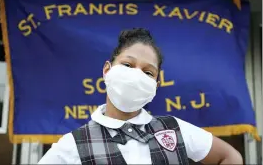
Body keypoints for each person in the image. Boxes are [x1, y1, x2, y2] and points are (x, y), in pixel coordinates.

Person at [38, 28, 243, 165]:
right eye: (127, 65)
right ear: (107, 70)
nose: (136, 75)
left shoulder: (173, 129)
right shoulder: (73, 144)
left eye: (148, 72)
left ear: (156, 84)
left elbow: (230, 156)